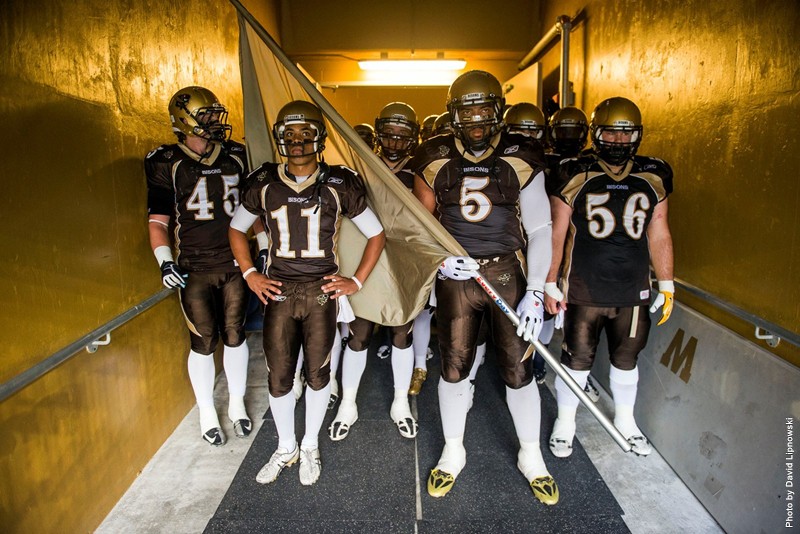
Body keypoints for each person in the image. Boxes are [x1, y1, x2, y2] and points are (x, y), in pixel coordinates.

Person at [413, 70, 558, 505]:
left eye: (484, 109)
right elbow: (421, 227)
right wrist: (440, 260)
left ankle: (531, 455)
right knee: (454, 366)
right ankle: (453, 449)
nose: (476, 120)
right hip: (457, 278)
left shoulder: (521, 156)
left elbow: (541, 228)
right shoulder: (433, 156)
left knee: (519, 370)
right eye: (468, 110)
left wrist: (536, 289)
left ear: (498, 111)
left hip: (505, 274)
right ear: (453, 114)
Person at [229, 100, 385, 486]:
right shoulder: (263, 181)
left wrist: (357, 281)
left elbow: (377, 234)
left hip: (320, 292)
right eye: (290, 134)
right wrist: (250, 272)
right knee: (279, 377)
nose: (297, 142)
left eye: (305, 133)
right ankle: (286, 447)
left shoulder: (338, 182)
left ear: (319, 137)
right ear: (279, 137)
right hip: (279, 290)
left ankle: (310, 443)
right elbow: (236, 229)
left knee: (317, 375)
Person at [544, 96, 674, 459]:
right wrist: (550, 281)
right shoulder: (574, 170)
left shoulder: (654, 173)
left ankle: (626, 421)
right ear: (595, 134)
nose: (618, 142)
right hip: (584, 285)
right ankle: (565, 422)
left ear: (638, 134)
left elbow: (659, 229)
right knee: (576, 359)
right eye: (610, 134)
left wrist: (666, 281)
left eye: (626, 134)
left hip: (633, 287)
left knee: (627, 357)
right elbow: (557, 231)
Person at [145, 86, 255, 446]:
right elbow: (159, 221)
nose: (214, 122)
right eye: (206, 115)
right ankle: (207, 411)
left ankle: (237, 405)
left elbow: (254, 212)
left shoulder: (236, 154)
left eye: (213, 114)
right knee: (203, 342)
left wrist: (263, 249)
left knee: (236, 336)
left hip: (236, 263)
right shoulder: (165, 161)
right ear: (185, 119)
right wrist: (164, 263)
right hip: (194, 266)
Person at [329, 102, 421, 440]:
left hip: (402, 263)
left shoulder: (419, 172)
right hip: (365, 258)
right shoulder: (359, 169)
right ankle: (348, 403)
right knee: (359, 334)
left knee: (401, 333)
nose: (395, 141)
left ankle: (399, 402)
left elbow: (428, 222)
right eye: (390, 134)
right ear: (378, 132)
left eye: (402, 135)